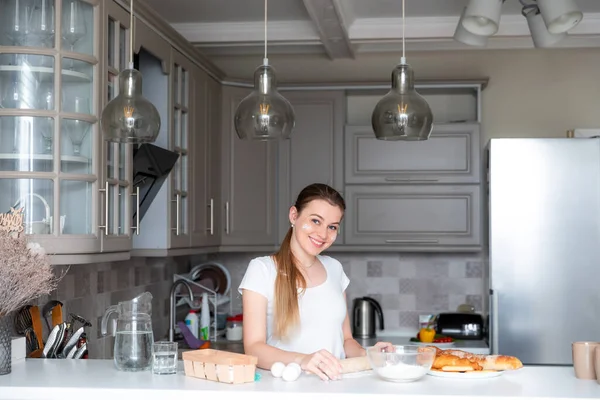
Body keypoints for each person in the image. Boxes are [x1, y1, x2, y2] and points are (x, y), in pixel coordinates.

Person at [238, 183, 393, 381]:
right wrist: (304, 360)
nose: (323, 234)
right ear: (294, 215)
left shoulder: (335, 269)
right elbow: (254, 349)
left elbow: (346, 340)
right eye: (315, 221)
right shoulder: (262, 269)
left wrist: (369, 355)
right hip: (286, 389)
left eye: (332, 227)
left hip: (336, 387)